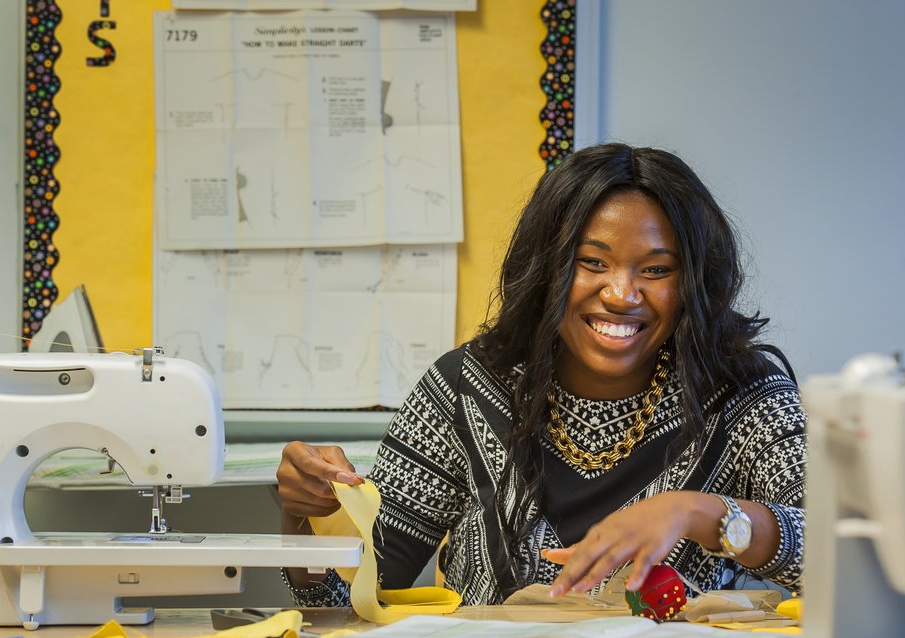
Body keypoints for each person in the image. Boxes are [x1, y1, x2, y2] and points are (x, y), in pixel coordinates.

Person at [277, 143, 806, 607]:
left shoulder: (744, 396)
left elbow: (837, 559)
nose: (622, 294)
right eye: (592, 262)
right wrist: (305, 517)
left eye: (656, 270)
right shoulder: (465, 388)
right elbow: (348, 600)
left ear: (693, 282)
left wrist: (700, 513)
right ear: (546, 267)